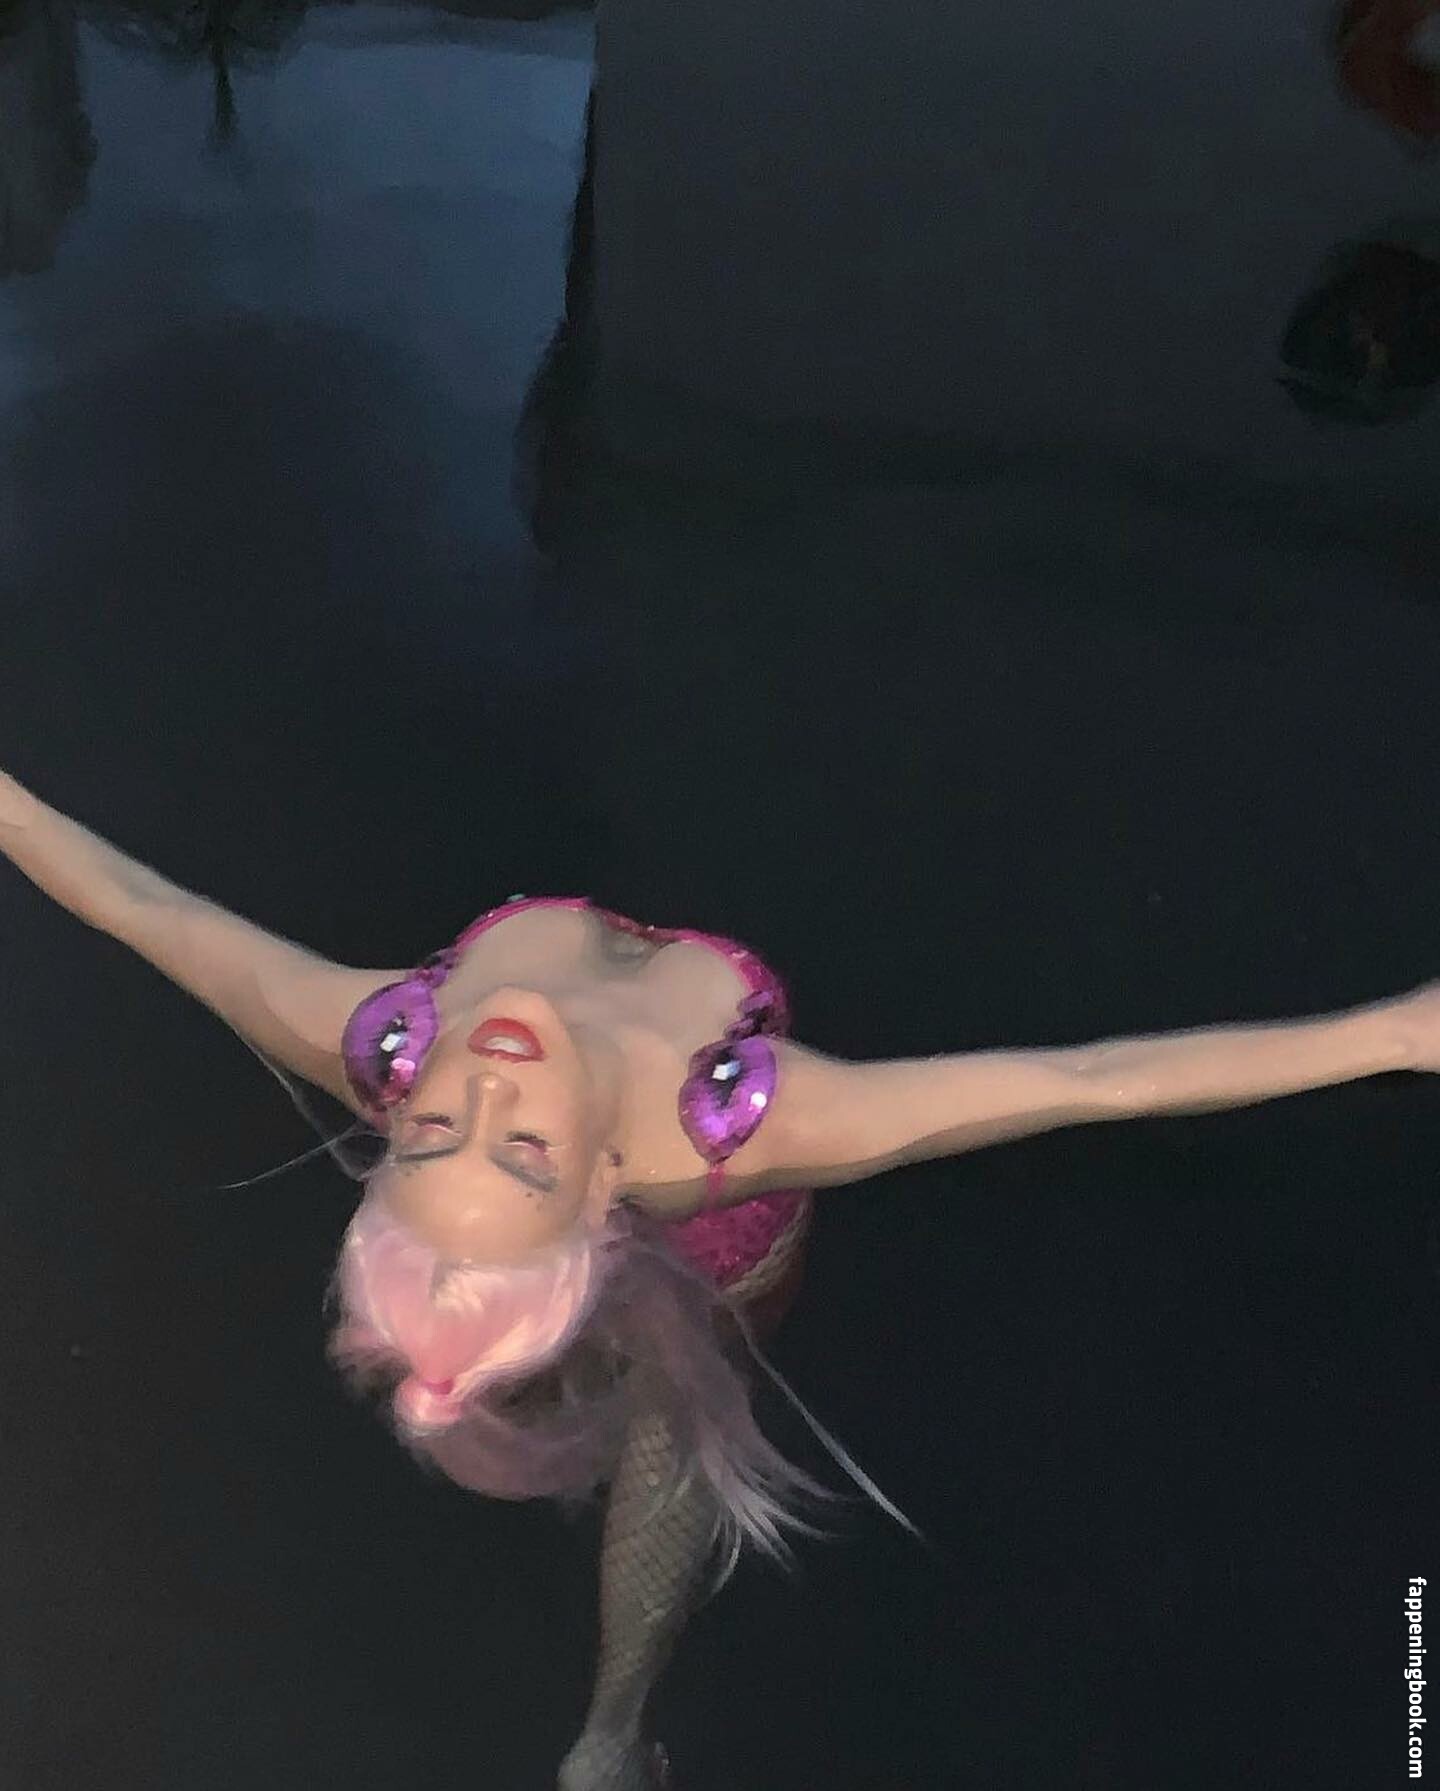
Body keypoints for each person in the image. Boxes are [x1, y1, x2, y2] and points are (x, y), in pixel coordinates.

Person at [2, 764, 1436, 1789]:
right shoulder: (745, 1123)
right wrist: (1397, 1034)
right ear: (595, 1187)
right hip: (720, 1253)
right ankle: (609, 1738)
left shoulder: (383, 1042)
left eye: (436, 1132)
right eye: (520, 1149)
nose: (487, 1084)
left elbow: (143, 907)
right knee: (682, 1428)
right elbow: (1086, 1082)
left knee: (641, 1399)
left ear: (393, 1118)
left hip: (574, 1249)